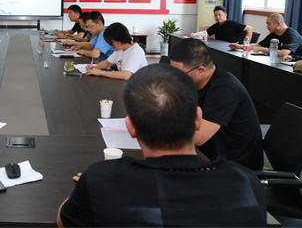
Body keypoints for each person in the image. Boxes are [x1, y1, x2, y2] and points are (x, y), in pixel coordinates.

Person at [57, 64, 266, 227]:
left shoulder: (100, 181)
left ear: (131, 128)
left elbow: (63, 222)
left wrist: (88, 188)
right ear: (197, 119)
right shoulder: (246, 183)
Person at [170, 38, 263, 170]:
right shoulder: (194, 82)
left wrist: (154, 127)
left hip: (236, 169)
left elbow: (197, 138)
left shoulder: (225, 89)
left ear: (200, 70)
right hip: (210, 156)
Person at [229, 13, 302, 60]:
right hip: (285, 61)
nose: (267, 27)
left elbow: (284, 53)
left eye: (268, 24)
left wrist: (261, 49)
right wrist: (239, 46)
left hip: (301, 61)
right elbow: (258, 45)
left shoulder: (291, 35)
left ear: (278, 24)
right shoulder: (274, 33)